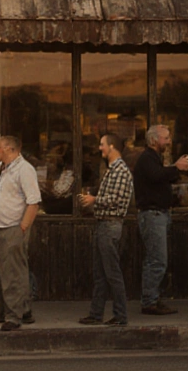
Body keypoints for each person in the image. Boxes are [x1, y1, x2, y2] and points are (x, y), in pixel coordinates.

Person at [0, 135, 41, 331]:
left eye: (1, 149)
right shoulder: (2, 168)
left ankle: (15, 315)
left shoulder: (25, 170)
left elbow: (33, 202)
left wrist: (23, 227)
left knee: (13, 273)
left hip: (12, 227)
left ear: (10, 149)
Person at [77, 133, 134, 326]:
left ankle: (120, 315)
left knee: (112, 273)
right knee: (100, 273)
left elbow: (116, 200)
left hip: (110, 225)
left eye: (102, 144)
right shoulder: (111, 170)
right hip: (103, 223)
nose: (99, 148)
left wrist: (95, 200)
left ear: (112, 146)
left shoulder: (120, 170)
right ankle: (96, 314)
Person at [133, 125, 188, 315]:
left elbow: (158, 180)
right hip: (152, 215)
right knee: (157, 260)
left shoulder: (154, 159)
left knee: (155, 259)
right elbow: (156, 176)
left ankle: (153, 298)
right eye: (166, 138)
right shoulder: (147, 158)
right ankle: (150, 301)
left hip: (159, 214)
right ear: (154, 140)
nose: (169, 141)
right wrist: (176, 168)